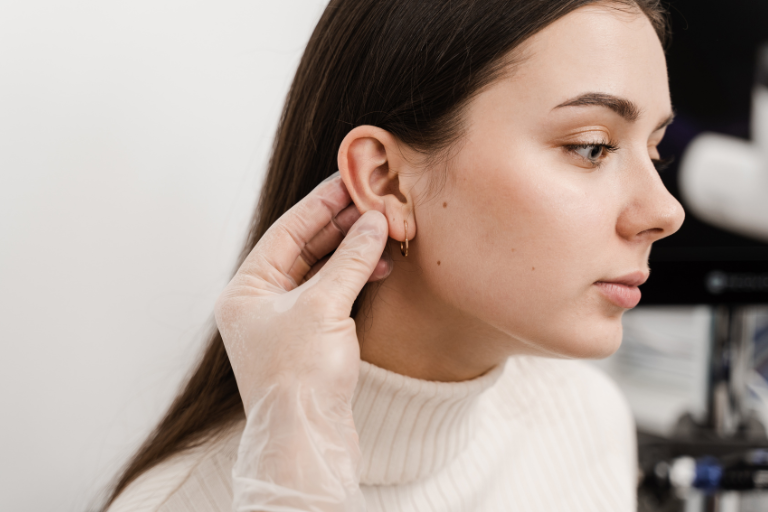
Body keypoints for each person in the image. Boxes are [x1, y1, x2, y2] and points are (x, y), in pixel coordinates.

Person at [100, 0, 684, 510]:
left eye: (654, 151)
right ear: (387, 182)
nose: (666, 211)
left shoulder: (584, 419)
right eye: (592, 147)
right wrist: (296, 482)